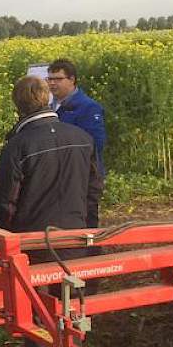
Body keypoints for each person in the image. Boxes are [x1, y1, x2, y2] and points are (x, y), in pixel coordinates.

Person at [0, 76, 103, 347]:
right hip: (76, 234)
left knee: (38, 306)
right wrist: (86, 226)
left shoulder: (18, 145)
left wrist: (12, 237)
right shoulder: (81, 137)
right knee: (70, 295)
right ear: (47, 99)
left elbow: (4, 200)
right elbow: (94, 188)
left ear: (18, 106)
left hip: (34, 241)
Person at [48, 58, 106, 227]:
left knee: (86, 219)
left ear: (72, 80)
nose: (52, 84)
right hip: (60, 174)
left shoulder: (88, 107)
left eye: (58, 79)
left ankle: (93, 252)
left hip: (85, 174)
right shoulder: (50, 106)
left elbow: (96, 143)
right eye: (50, 79)